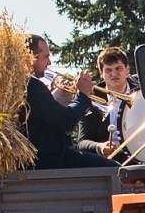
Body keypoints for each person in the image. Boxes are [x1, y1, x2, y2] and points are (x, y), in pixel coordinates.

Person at [22, 35, 117, 170]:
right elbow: (67, 121)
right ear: (30, 57)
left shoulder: (27, 85)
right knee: (116, 170)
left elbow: (51, 116)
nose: (49, 63)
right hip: (55, 160)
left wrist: (61, 95)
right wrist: (82, 94)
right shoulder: (32, 85)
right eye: (46, 56)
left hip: (54, 158)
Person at [75, 47, 143, 161]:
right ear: (101, 73)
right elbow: (82, 142)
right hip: (108, 162)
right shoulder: (91, 98)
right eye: (108, 70)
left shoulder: (143, 94)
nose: (114, 74)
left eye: (119, 68)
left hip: (142, 155)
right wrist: (99, 147)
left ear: (127, 69)